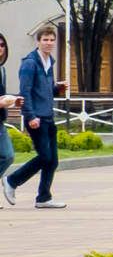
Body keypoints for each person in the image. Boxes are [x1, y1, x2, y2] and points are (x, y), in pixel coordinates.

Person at [4, 26, 64, 208]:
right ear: (38, 42)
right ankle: (12, 181)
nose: (49, 43)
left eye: (52, 40)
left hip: (48, 116)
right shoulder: (30, 63)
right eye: (45, 39)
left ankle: (44, 198)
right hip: (36, 118)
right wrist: (30, 115)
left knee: (52, 161)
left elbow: (45, 90)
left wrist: (58, 88)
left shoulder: (49, 62)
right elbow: (25, 91)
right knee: (45, 157)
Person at [0, 33, 16, 187]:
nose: (0, 48)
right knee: (6, 155)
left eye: (2, 45)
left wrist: (11, 100)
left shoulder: (2, 70)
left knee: (8, 156)